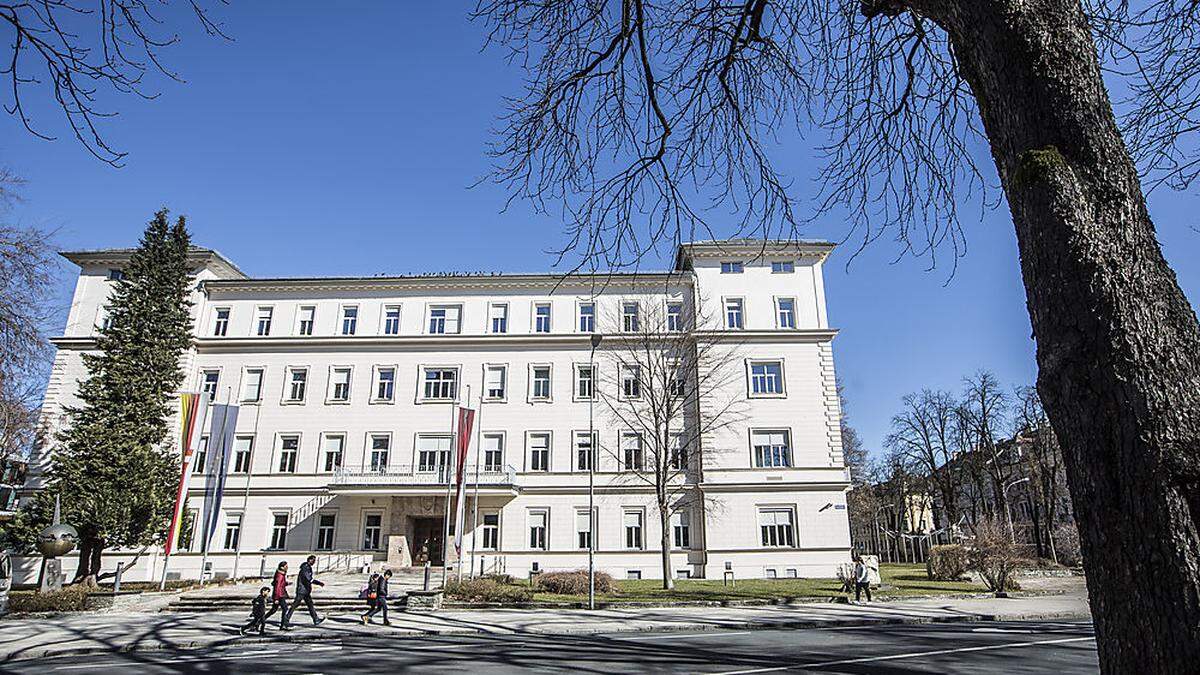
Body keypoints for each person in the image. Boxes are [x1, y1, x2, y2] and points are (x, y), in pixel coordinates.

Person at [288, 555, 326, 626]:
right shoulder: (305, 568)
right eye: (313, 560)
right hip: (302, 590)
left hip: (306, 591)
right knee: (295, 605)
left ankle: (316, 619)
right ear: (310, 560)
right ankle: (286, 619)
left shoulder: (308, 568)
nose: (314, 562)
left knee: (310, 605)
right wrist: (319, 583)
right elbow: (308, 579)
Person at [263, 561, 292, 630]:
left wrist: (286, 583)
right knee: (285, 609)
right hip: (279, 595)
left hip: (279, 594)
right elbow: (277, 587)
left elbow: (279, 584)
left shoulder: (281, 574)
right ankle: (283, 625)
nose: (287, 567)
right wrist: (276, 598)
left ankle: (258, 622)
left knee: (273, 610)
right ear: (282, 567)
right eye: (286, 566)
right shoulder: (280, 575)